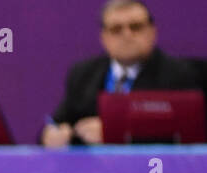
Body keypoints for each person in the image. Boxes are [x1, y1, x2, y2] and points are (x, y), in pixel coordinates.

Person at [40, 0, 200, 147]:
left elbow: (183, 134)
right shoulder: (83, 74)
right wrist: (51, 135)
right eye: (116, 29)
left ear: (152, 31)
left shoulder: (182, 75)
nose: (127, 35)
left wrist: (113, 133)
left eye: (135, 27)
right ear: (104, 37)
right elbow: (59, 122)